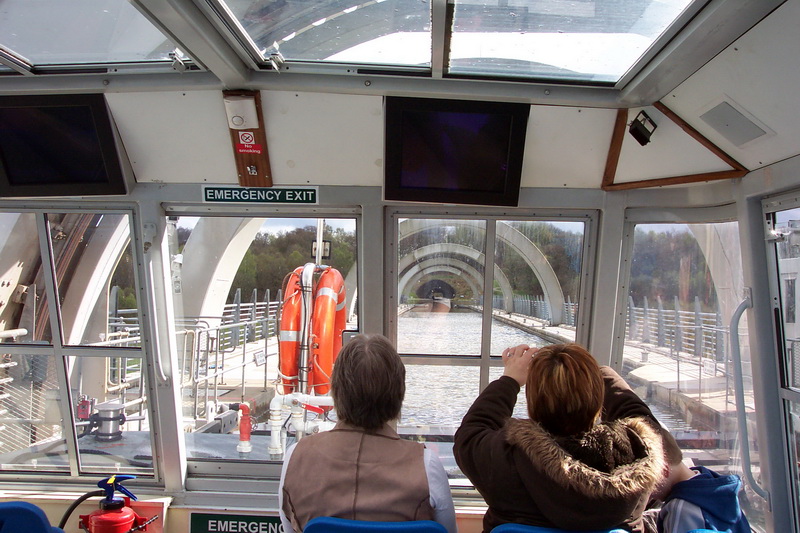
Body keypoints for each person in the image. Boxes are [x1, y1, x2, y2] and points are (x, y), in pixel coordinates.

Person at [454, 342, 665, 533]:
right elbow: (642, 419)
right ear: (597, 397)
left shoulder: (505, 458)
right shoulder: (638, 454)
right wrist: (595, 373)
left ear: (532, 400)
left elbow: (472, 431)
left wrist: (509, 380)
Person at [279, 334, 457, 533]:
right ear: (398, 392)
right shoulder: (426, 466)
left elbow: (289, 527)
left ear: (336, 389)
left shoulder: (295, 458)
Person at [653, 429, 751, 533]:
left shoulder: (679, 509)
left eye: (645, 486)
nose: (651, 497)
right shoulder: (720, 488)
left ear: (664, 471)